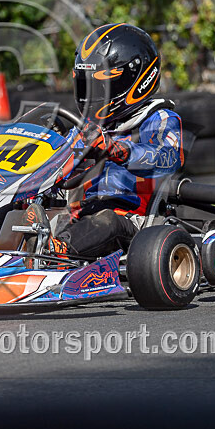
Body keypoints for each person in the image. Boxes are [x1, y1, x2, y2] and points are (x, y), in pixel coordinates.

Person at [47, 23, 184, 258]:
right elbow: (59, 166)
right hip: (82, 215)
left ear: (134, 79)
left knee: (106, 220)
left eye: (100, 85)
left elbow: (167, 158)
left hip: (137, 224)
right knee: (24, 210)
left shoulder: (158, 118)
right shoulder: (87, 128)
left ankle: (58, 255)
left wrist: (118, 149)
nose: (93, 95)